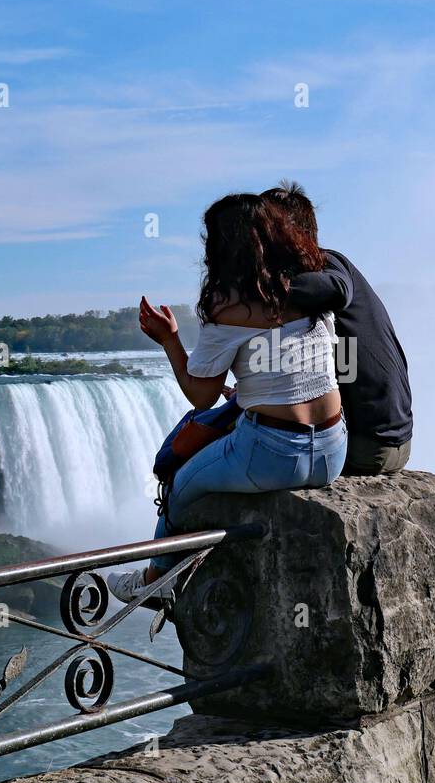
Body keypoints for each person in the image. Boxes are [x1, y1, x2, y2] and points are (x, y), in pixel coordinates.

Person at [109, 192, 347, 603]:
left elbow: (200, 396)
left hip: (273, 455)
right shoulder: (315, 288)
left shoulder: (228, 304)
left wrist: (169, 340)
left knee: (180, 484)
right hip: (332, 450)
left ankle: (154, 584)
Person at [263, 182, 413, 475]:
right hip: (393, 441)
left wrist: (258, 290)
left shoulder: (326, 264)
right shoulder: (328, 269)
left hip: (369, 446)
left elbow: (337, 289)